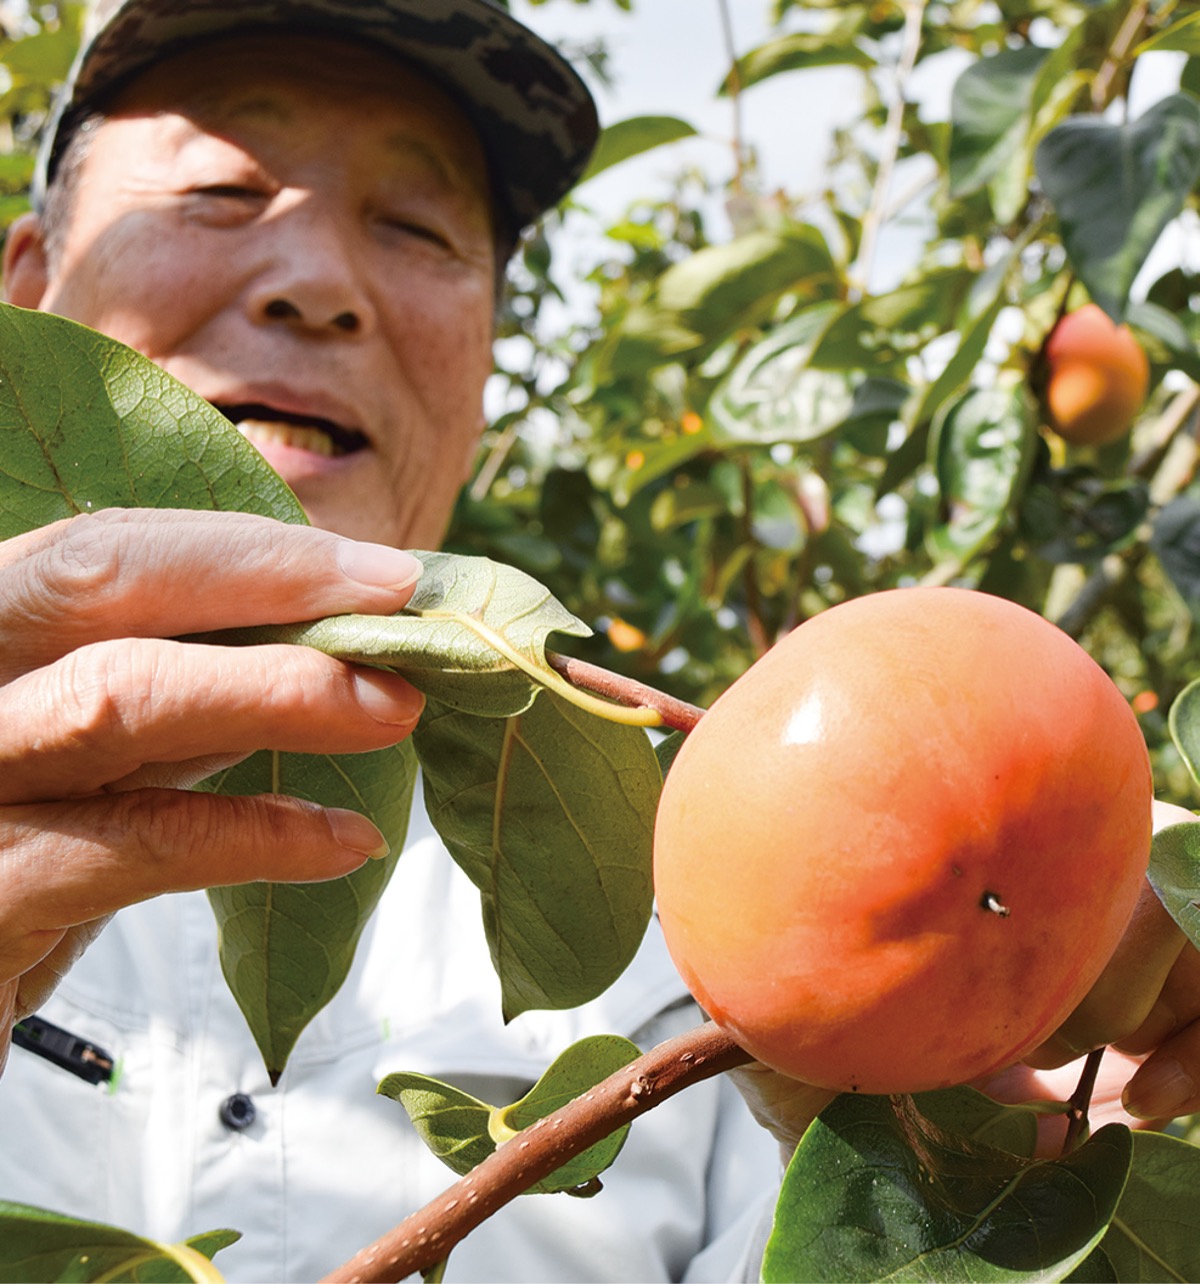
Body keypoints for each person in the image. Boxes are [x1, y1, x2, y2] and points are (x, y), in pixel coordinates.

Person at [0, 2, 1198, 1280]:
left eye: (414, 227)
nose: (320, 286)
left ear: (486, 356)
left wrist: (1010, 1166)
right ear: (28, 286)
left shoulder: (693, 935)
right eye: (223, 193)